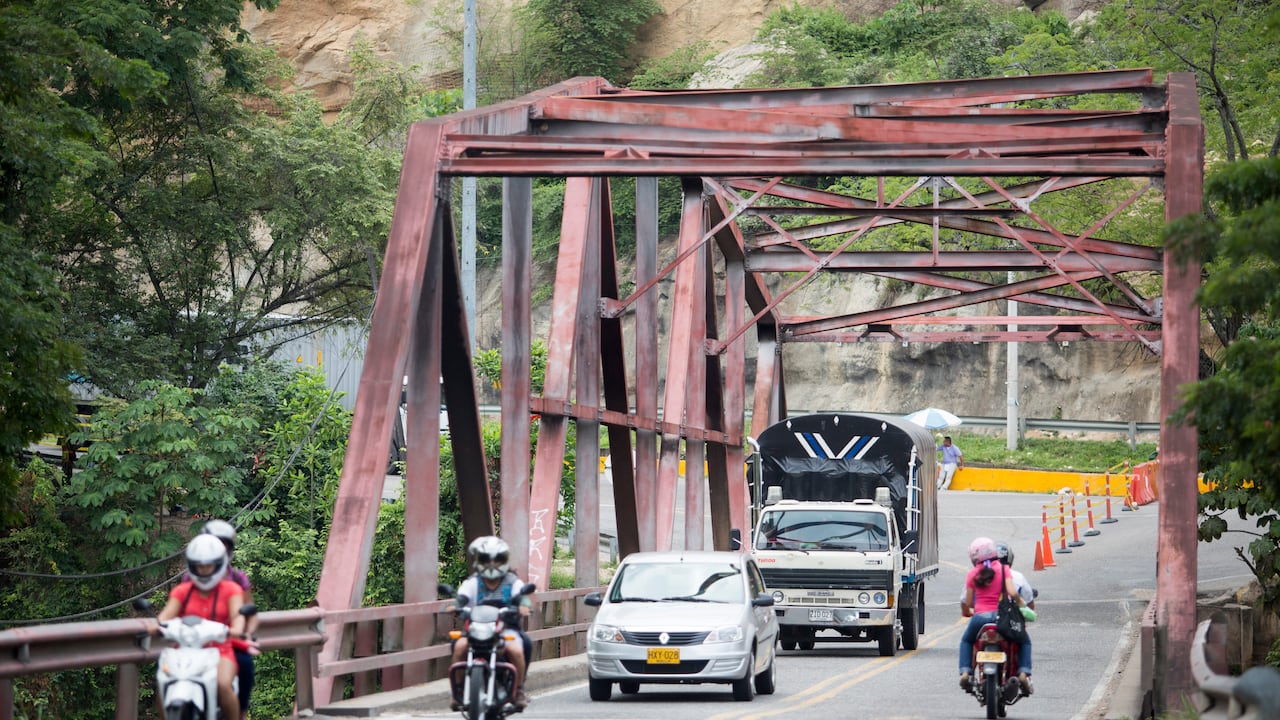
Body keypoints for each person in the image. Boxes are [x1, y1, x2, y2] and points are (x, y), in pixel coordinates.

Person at [155, 534, 246, 720]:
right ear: (192, 565)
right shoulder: (182, 591)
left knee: (222, 685)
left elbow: (238, 620)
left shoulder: (232, 590)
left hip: (220, 650)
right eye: (199, 565)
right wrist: (154, 627)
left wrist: (235, 630)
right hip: (185, 650)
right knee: (164, 685)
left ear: (219, 564)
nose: (204, 570)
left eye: (209, 565)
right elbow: (164, 617)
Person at [450, 535, 533, 710]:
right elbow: (462, 598)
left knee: (517, 649)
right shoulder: (473, 583)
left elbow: (522, 597)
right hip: (475, 630)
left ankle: (518, 690)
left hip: (505, 630)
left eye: (498, 559)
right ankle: (458, 691)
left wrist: (524, 606)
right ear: (480, 561)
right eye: (487, 559)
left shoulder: (512, 582)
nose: (492, 564)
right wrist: (455, 606)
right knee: (459, 647)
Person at [188, 520, 258, 715]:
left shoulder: (237, 578)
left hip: (228, 640)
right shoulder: (190, 577)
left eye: (222, 545)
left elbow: (250, 612)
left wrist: (247, 634)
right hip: (196, 642)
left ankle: (240, 712)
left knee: (245, 665)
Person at [959, 536, 1035, 697]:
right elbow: (1013, 592)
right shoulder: (1003, 569)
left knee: (966, 640)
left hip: (980, 618)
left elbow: (967, 602)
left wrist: (974, 610)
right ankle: (1023, 672)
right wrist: (1021, 605)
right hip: (1001, 618)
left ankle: (966, 672)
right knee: (1024, 640)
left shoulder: (973, 574)